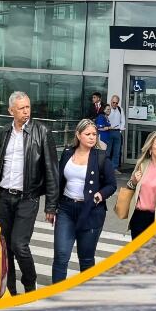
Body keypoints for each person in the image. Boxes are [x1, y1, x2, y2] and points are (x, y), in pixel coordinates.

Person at [0, 90, 59, 295]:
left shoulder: (42, 132)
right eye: (21, 108)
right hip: (4, 196)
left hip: (27, 198)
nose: (26, 112)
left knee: (19, 245)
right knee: (6, 247)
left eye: (28, 107)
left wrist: (51, 205)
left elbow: (51, 170)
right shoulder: (5, 132)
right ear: (11, 111)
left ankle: (30, 285)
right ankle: (10, 289)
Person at [49, 117, 117, 284]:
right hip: (66, 208)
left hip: (91, 212)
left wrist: (100, 195)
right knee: (61, 255)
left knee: (86, 258)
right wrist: (51, 207)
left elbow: (111, 185)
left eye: (95, 134)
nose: (92, 137)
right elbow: (57, 181)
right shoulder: (67, 153)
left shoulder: (101, 157)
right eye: (88, 134)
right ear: (78, 135)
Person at [104, 95, 126, 164]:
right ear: (111, 101)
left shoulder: (120, 109)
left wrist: (120, 130)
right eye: (113, 102)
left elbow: (123, 120)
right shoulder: (107, 109)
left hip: (117, 132)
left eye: (116, 103)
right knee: (108, 151)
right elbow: (103, 119)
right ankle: (105, 167)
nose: (115, 104)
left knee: (117, 151)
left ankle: (114, 168)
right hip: (108, 132)